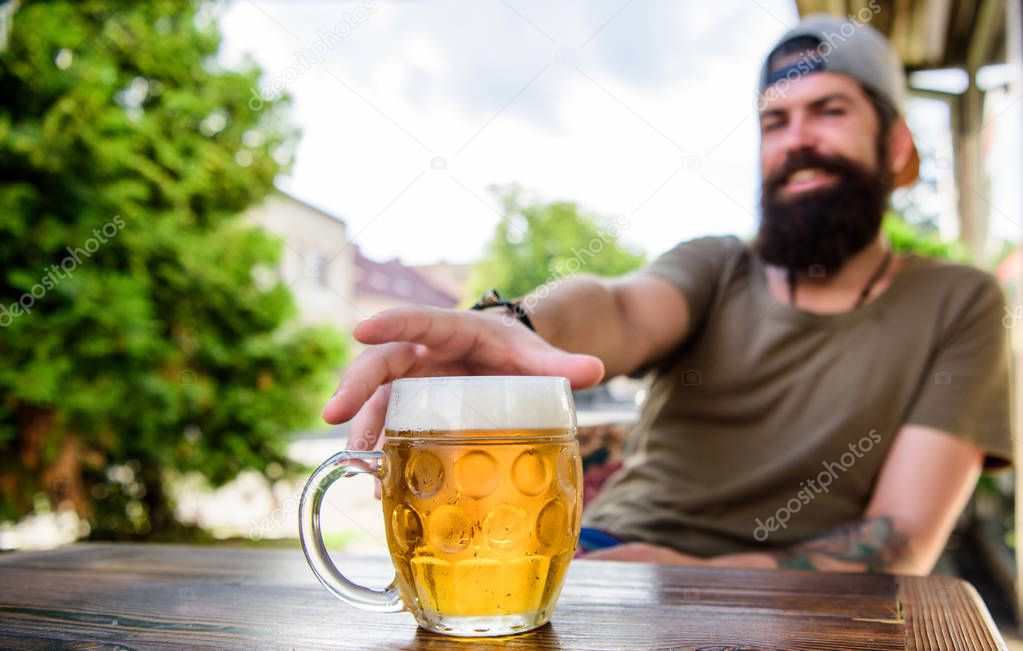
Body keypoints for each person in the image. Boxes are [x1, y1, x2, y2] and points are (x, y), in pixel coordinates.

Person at [321, 15, 1012, 575]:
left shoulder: (959, 303)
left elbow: (901, 539)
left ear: (894, 144)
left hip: (791, 611)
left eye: (827, 111)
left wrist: (698, 575)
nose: (796, 140)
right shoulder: (716, 266)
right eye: (774, 122)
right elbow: (618, 307)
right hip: (595, 562)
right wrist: (516, 325)